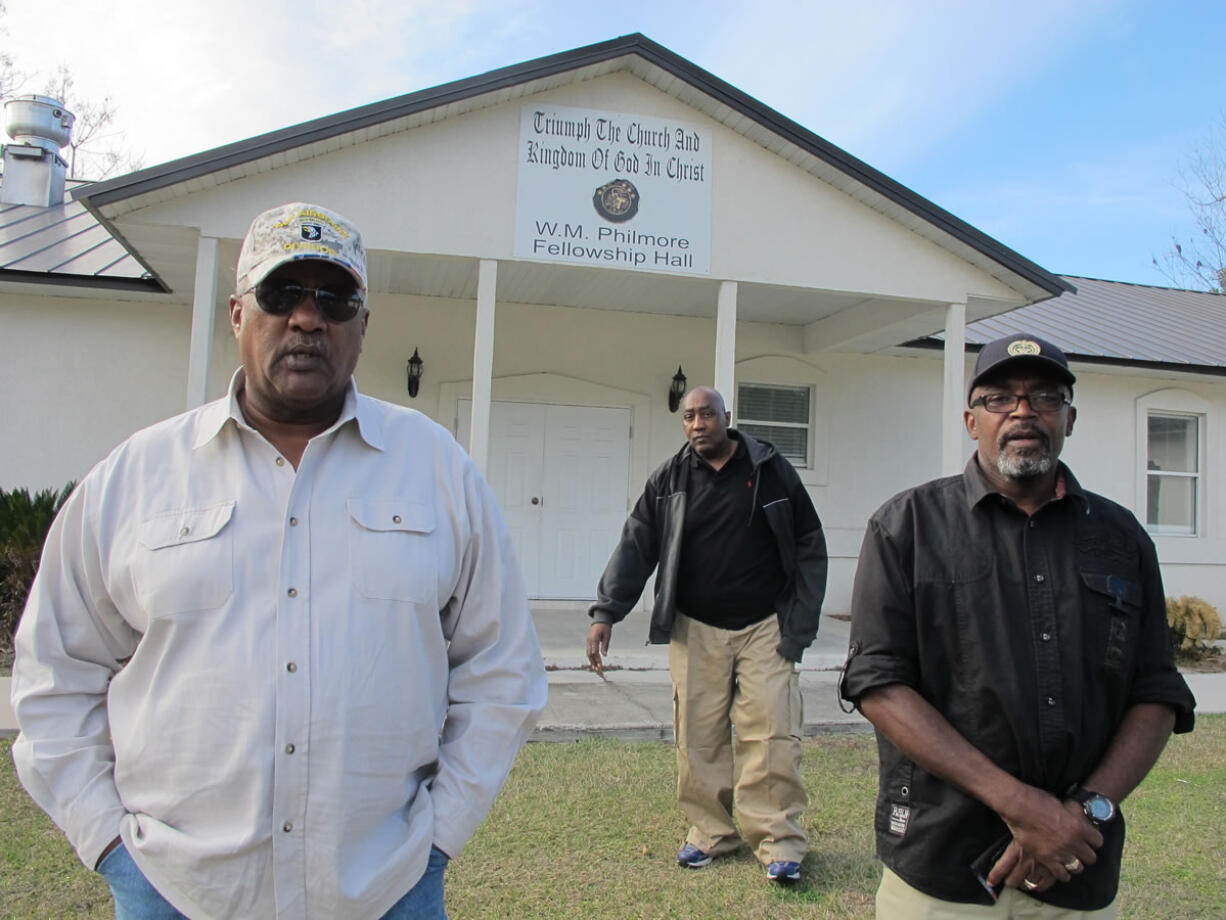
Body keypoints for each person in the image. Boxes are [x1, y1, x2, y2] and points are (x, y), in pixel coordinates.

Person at [11, 202, 547, 919]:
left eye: (335, 298)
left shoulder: (438, 471)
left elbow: (502, 669)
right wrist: (110, 844)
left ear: (363, 325)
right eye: (280, 294)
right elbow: (55, 671)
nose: (306, 318)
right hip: (176, 889)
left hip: (385, 888)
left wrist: (437, 841)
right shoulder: (136, 477)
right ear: (237, 314)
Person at [840, 333, 1196, 918]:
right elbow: (878, 683)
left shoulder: (1121, 538)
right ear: (971, 419)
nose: (1024, 412)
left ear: (1070, 419)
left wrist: (1080, 815)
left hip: (1075, 867)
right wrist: (1024, 807)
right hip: (940, 862)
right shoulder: (906, 526)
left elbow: (1155, 691)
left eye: (1046, 397)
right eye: (1000, 398)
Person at [586, 386, 827, 883]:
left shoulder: (770, 469)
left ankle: (779, 841)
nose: (698, 424)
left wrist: (797, 623)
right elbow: (636, 544)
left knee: (772, 733)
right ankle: (711, 833)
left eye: (707, 415)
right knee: (697, 735)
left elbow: (809, 545)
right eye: (690, 417)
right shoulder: (669, 479)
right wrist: (606, 611)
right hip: (695, 626)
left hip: (765, 625)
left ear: (726, 417)